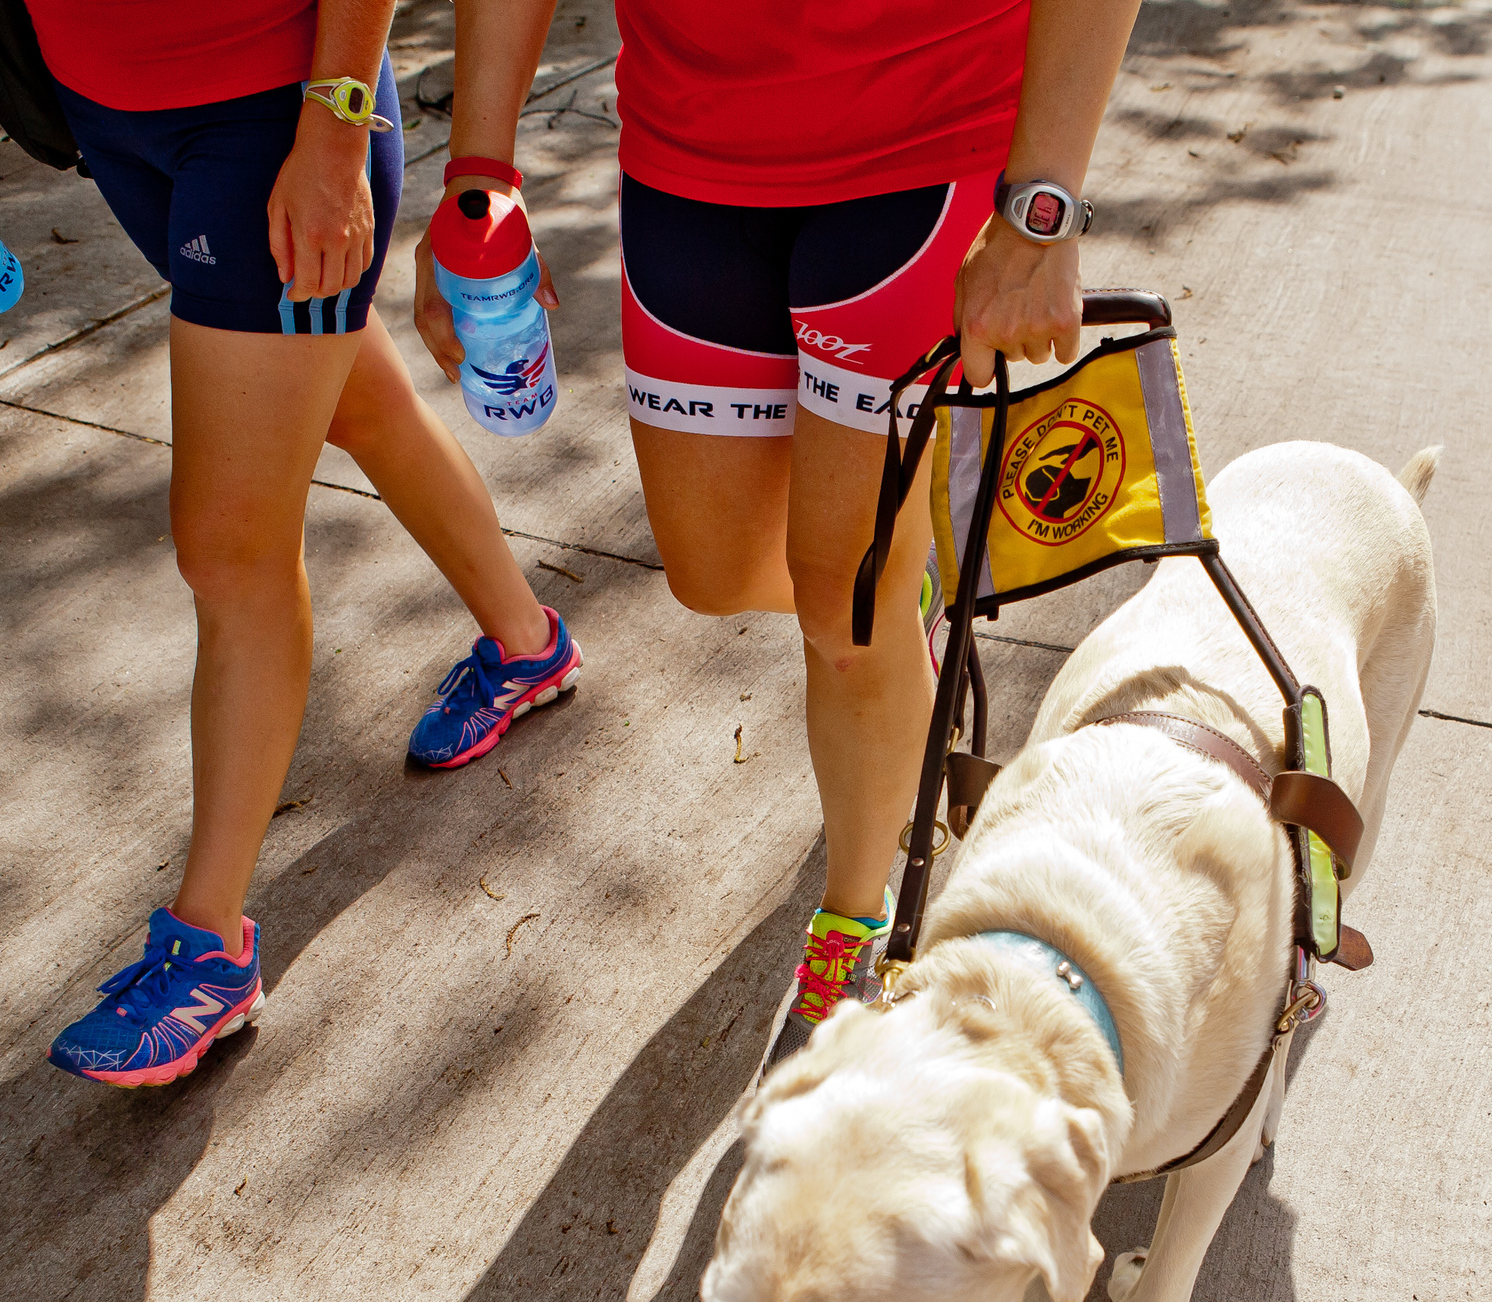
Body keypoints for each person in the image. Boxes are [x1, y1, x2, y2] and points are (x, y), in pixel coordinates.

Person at [0, 0, 584, 1086]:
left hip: (271, 112)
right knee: (353, 398)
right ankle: (527, 642)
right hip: (112, 114)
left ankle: (208, 952)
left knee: (228, 549)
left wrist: (338, 127)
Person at [423, 0, 1141, 1069]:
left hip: (924, 139)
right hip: (689, 152)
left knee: (842, 613)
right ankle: (910, 611)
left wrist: (1042, 210)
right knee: (711, 573)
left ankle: (858, 917)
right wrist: (478, 169)